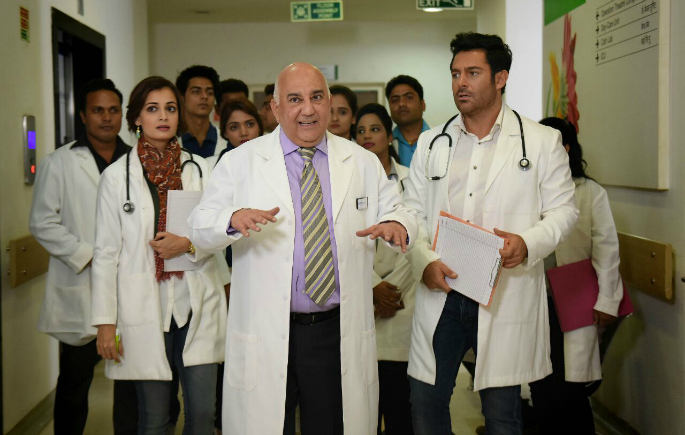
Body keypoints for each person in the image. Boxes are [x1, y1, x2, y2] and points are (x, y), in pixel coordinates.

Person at [188, 62, 417, 435]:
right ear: (275, 108)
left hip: (331, 330)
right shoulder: (240, 162)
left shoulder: (360, 161)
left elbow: (401, 211)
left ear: (329, 102)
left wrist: (398, 224)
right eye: (294, 99)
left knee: (329, 425)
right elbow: (199, 226)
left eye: (316, 97)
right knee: (266, 426)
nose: (307, 109)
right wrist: (231, 218)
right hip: (264, 328)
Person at [403, 32, 578, 435]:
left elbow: (565, 211)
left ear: (500, 78)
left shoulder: (541, 141)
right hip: (444, 290)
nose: (460, 83)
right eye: (455, 74)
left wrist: (528, 243)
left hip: (502, 292)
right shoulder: (431, 143)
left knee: (501, 414)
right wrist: (423, 261)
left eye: (472, 73)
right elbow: (411, 212)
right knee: (425, 404)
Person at [91, 76, 228, 434]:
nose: (163, 116)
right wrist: (105, 322)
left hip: (196, 302)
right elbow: (105, 254)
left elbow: (220, 232)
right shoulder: (116, 177)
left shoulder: (200, 169)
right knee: (154, 419)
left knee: (203, 414)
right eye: (152, 109)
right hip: (144, 306)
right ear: (137, 117)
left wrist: (189, 244)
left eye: (170, 108)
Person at [29, 79, 138, 435]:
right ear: (83, 115)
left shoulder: (137, 160)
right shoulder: (59, 162)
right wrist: (91, 256)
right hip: (83, 286)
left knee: (131, 383)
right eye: (97, 110)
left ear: (122, 115)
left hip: (130, 284)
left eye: (113, 110)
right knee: (75, 384)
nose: (106, 118)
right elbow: (42, 223)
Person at [528, 117, 623, 435]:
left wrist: (608, 300)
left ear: (565, 149)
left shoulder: (589, 192)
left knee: (571, 387)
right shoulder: (526, 189)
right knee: (540, 382)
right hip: (535, 298)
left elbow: (607, 248)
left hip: (576, 298)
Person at [356, 103, 416, 435]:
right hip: (364, 297)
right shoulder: (348, 182)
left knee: (400, 407)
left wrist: (391, 289)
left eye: (375, 129)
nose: (367, 136)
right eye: (361, 131)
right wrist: (372, 286)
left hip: (404, 296)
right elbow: (343, 241)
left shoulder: (411, 179)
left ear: (389, 135)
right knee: (364, 410)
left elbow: (418, 232)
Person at [175, 65, 229, 159]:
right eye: (196, 91)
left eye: (209, 93)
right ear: (182, 97)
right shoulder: (172, 140)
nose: (204, 96)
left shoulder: (226, 141)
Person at [385, 75, 430, 166]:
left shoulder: (441, 138)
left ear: (423, 105)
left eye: (409, 98)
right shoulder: (385, 143)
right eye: (395, 100)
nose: (401, 104)